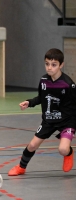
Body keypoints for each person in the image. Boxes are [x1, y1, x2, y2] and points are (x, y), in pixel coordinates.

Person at [8, 48, 76, 176]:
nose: (49, 67)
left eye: (54, 65)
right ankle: (21, 167)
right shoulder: (44, 81)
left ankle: (69, 153)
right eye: (47, 64)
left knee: (62, 149)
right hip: (49, 120)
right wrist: (29, 103)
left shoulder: (68, 84)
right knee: (32, 145)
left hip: (67, 121)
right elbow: (41, 97)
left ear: (61, 65)